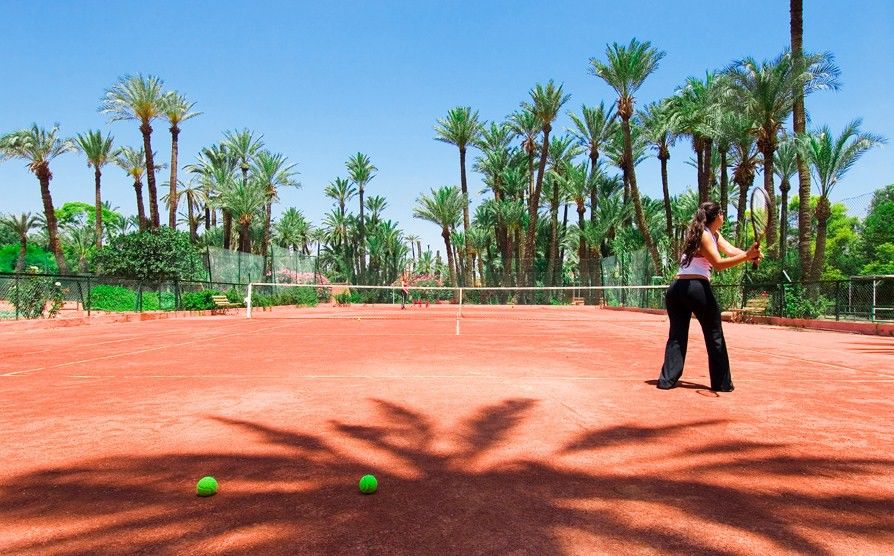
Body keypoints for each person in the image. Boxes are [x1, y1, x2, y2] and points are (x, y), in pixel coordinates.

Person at [657, 201, 761, 392]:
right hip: (696, 288)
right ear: (717, 216)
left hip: (676, 290)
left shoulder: (710, 234)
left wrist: (751, 255)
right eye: (722, 212)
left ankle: (666, 380)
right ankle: (721, 383)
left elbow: (729, 250)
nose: (724, 214)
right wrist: (747, 256)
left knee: (677, 336)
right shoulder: (705, 235)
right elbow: (719, 263)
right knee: (714, 334)